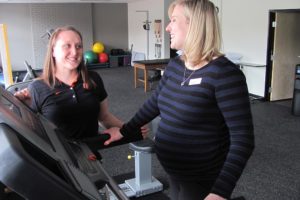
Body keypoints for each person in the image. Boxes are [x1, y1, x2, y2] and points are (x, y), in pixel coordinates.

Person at [103, 0, 255, 200]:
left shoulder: (225, 74)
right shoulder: (176, 65)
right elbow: (154, 103)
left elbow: (243, 140)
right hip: (174, 170)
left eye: (173, 20)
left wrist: (220, 192)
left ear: (194, 25)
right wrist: (124, 130)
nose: (167, 27)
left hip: (202, 178)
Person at [15, 26, 147, 141]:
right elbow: (28, 133)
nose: (74, 52)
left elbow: (104, 117)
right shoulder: (38, 88)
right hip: (61, 160)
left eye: (78, 46)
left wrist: (128, 128)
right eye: (67, 46)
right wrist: (21, 107)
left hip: (90, 156)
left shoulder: (93, 79)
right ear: (53, 51)